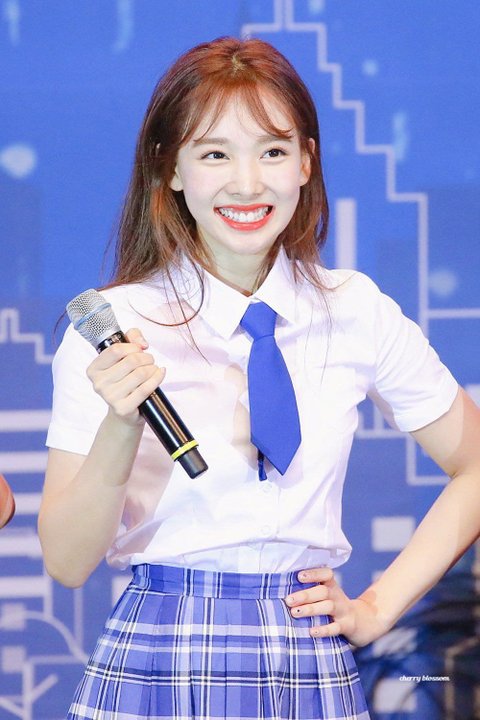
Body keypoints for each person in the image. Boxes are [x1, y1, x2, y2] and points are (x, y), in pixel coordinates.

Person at [38, 37, 480, 720]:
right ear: (171, 168)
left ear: (306, 161)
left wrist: (376, 607)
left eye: (272, 151)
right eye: (215, 154)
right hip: (162, 648)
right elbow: (68, 562)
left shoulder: (354, 309)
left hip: (308, 649)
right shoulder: (114, 328)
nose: (247, 184)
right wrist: (122, 424)